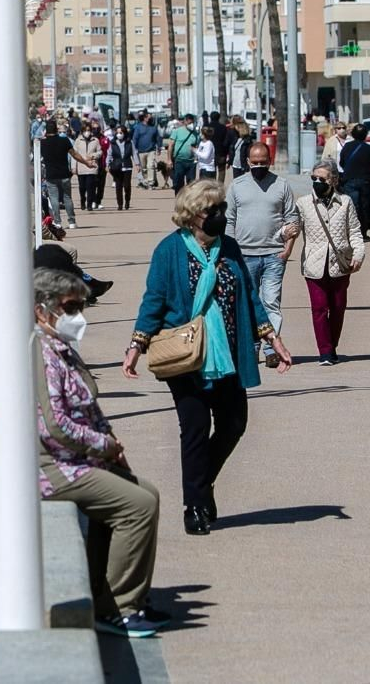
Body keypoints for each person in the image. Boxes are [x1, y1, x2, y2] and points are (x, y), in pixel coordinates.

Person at [123, 181, 292, 535]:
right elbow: (154, 300)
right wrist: (136, 346)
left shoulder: (228, 247)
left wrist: (272, 337)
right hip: (187, 358)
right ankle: (194, 505)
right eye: (211, 210)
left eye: (221, 209)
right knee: (196, 430)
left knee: (234, 424)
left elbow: (249, 294)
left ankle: (203, 481)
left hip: (229, 354)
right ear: (192, 215)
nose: (219, 216)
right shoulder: (169, 251)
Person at [32, 268, 166, 639]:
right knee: (137, 506)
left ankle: (113, 594)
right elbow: (53, 424)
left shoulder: (61, 349)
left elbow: (87, 407)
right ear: (42, 310)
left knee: (146, 492)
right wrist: (102, 445)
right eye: (70, 307)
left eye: (82, 305)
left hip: (75, 459)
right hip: (53, 467)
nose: (79, 316)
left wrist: (110, 445)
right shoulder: (39, 354)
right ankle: (119, 607)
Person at [225, 143, 299, 366]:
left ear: (270, 160)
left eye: (263, 162)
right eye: (254, 163)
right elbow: (229, 220)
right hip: (244, 255)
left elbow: (292, 219)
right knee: (247, 304)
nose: (258, 166)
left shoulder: (281, 185)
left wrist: (288, 249)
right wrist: (230, 252)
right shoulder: (237, 186)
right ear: (247, 162)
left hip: (274, 256)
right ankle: (252, 347)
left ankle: (271, 348)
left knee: (271, 303)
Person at [291, 163, 366, 365]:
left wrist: (359, 253)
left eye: (321, 179)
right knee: (319, 308)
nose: (317, 182)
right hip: (314, 264)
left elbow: (355, 231)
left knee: (338, 307)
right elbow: (294, 228)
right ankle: (325, 352)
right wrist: (285, 232)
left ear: (333, 180)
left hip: (340, 263)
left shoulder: (346, 202)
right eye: (314, 178)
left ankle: (332, 344)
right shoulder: (304, 203)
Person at [40, 119, 94, 229]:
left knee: (54, 198)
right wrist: (86, 163)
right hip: (64, 174)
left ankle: (57, 222)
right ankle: (72, 221)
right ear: (56, 129)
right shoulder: (64, 141)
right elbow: (75, 155)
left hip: (51, 175)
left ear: (46, 131)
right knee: (67, 198)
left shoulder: (42, 143)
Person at [339, 125, 370, 240]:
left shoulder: (347, 147)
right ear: (365, 135)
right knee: (364, 206)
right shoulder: (369, 149)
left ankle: (352, 231)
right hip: (365, 180)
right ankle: (363, 231)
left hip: (349, 180)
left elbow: (342, 162)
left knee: (352, 206)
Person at [166, 115, 199, 193]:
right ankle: (179, 199)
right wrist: (169, 160)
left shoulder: (195, 133)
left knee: (191, 184)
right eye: (190, 122)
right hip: (179, 161)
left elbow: (197, 146)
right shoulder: (177, 131)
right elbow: (170, 146)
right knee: (178, 183)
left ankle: (189, 202)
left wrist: (196, 158)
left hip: (191, 162)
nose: (191, 124)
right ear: (185, 121)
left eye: (192, 122)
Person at [107, 124, 137, 211]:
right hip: (117, 167)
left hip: (127, 167)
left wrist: (137, 164)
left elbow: (134, 153)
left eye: (121, 132)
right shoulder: (113, 143)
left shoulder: (129, 142)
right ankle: (120, 204)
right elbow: (109, 154)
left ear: (124, 133)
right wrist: (107, 164)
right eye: (117, 132)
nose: (119, 134)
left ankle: (127, 201)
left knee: (127, 186)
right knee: (118, 186)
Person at [74, 124, 102, 212]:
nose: (87, 132)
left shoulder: (95, 140)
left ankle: (89, 204)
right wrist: (73, 167)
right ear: (82, 131)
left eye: (89, 130)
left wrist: (93, 156)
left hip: (92, 167)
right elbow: (74, 155)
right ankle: (83, 200)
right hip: (81, 167)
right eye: (85, 130)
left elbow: (100, 152)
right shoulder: (78, 141)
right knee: (82, 187)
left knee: (91, 187)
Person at [131, 112, 159, 189]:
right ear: (145, 118)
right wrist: (134, 149)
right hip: (141, 151)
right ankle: (146, 181)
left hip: (151, 150)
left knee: (150, 166)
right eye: (149, 117)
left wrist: (159, 147)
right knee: (143, 168)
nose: (150, 118)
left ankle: (151, 182)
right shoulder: (138, 127)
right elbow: (135, 138)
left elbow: (158, 138)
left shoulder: (154, 127)